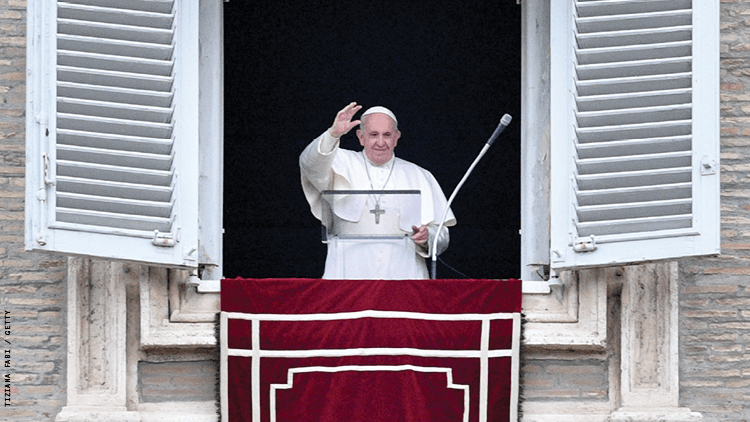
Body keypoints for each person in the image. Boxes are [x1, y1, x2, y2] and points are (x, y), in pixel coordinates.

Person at [300, 102, 456, 279]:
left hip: (403, 274)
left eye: (387, 135)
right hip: (347, 272)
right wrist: (332, 134)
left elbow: (442, 236)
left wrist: (428, 236)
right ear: (361, 136)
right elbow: (309, 164)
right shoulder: (340, 161)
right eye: (373, 134)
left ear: (396, 137)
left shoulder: (419, 175)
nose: (380, 142)